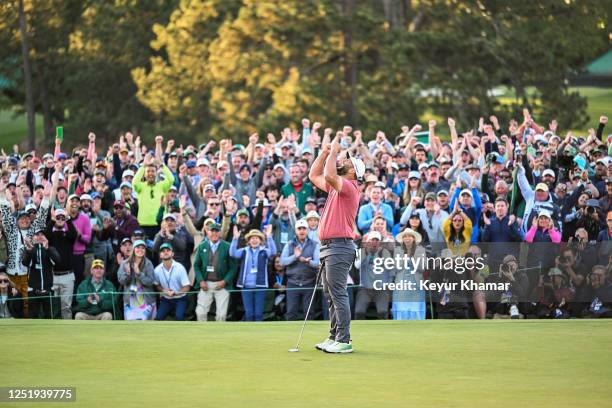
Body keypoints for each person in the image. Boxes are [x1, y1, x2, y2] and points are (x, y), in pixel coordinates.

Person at [308, 133, 364, 354]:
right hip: (329, 247)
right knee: (330, 294)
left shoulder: (350, 187)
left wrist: (333, 152)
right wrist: (324, 152)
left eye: (348, 161)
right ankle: (334, 336)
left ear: (353, 172)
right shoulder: (336, 187)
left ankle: (344, 339)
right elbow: (314, 174)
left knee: (338, 292)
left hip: (340, 246)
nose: (344, 160)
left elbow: (330, 174)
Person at [230, 226, 276, 321]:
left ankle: (258, 334)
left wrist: (269, 237)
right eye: (252, 238)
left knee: (258, 314)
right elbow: (232, 253)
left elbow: (273, 252)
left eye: (256, 238)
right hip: (246, 286)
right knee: (249, 313)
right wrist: (235, 239)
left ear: (260, 240)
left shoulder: (264, 251)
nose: (254, 240)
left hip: (260, 286)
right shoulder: (244, 251)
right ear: (249, 241)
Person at [193, 222, 236, 321]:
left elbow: (233, 267)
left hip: (222, 284)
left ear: (220, 233)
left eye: (217, 231)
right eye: (212, 231)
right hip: (206, 284)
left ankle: (219, 335)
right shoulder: (202, 246)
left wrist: (225, 281)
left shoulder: (227, 246)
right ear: (207, 232)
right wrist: (201, 280)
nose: (214, 234)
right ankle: (202, 333)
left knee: (221, 315)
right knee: (200, 313)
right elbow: (196, 266)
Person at [280, 219, 320, 321]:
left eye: (304, 228)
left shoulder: (315, 244)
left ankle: (309, 335)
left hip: (309, 282)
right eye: (299, 228)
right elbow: (282, 262)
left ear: (307, 230)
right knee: (291, 312)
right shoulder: (289, 244)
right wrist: (295, 257)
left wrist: (308, 262)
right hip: (292, 282)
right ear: (296, 231)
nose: (302, 231)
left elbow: (317, 263)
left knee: (309, 313)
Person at [133, 151, 175, 239]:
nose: (150, 173)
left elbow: (171, 179)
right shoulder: (141, 187)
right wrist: (143, 165)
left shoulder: (162, 186)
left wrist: (161, 164)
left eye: (153, 171)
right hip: (143, 225)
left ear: (156, 173)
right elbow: (134, 182)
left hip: (159, 225)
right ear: (145, 174)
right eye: (148, 171)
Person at [22, 228, 60, 319]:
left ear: (46, 237)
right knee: (33, 317)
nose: (39, 237)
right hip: (33, 290)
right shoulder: (29, 249)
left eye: (42, 234)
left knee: (50, 317)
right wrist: (29, 251)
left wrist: (47, 249)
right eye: (37, 235)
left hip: (48, 290)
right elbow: (26, 263)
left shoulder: (51, 249)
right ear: (33, 237)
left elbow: (57, 261)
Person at [117, 240, 157, 320]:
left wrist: (139, 273)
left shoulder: (149, 264)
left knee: (147, 326)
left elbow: (150, 282)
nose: (140, 250)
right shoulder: (125, 263)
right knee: (131, 325)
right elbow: (121, 281)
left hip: (146, 300)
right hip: (130, 301)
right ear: (133, 249)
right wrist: (127, 274)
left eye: (143, 248)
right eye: (138, 247)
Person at [392, 228, 427, 320]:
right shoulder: (397, 250)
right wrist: (404, 258)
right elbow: (397, 267)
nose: (407, 238)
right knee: (401, 310)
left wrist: (411, 258)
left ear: (414, 238)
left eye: (410, 236)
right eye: (405, 236)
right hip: (402, 284)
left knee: (416, 311)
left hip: (416, 284)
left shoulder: (421, 250)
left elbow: (422, 268)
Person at [154, 243, 191, 321]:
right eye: (163, 251)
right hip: (166, 298)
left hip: (180, 298)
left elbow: (187, 287)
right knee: (158, 318)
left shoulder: (180, 268)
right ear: (160, 255)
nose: (166, 252)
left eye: (168, 250)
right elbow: (157, 285)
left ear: (172, 254)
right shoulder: (157, 270)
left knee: (179, 317)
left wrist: (176, 292)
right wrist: (164, 291)